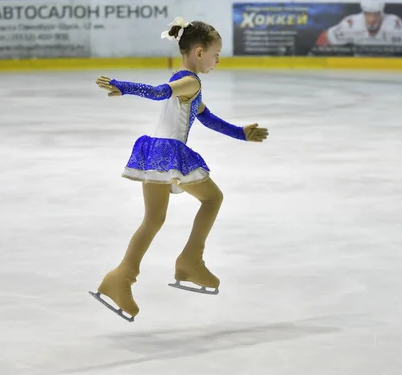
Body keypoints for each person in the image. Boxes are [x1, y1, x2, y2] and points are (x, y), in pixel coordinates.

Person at [90, 17, 269, 322]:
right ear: (199, 52)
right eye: (216, 54)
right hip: (169, 153)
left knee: (154, 220)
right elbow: (160, 92)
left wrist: (241, 133)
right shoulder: (190, 81)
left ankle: (120, 278)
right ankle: (190, 261)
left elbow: (206, 117)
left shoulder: (189, 84)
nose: (218, 60)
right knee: (212, 199)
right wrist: (124, 86)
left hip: (156, 153)